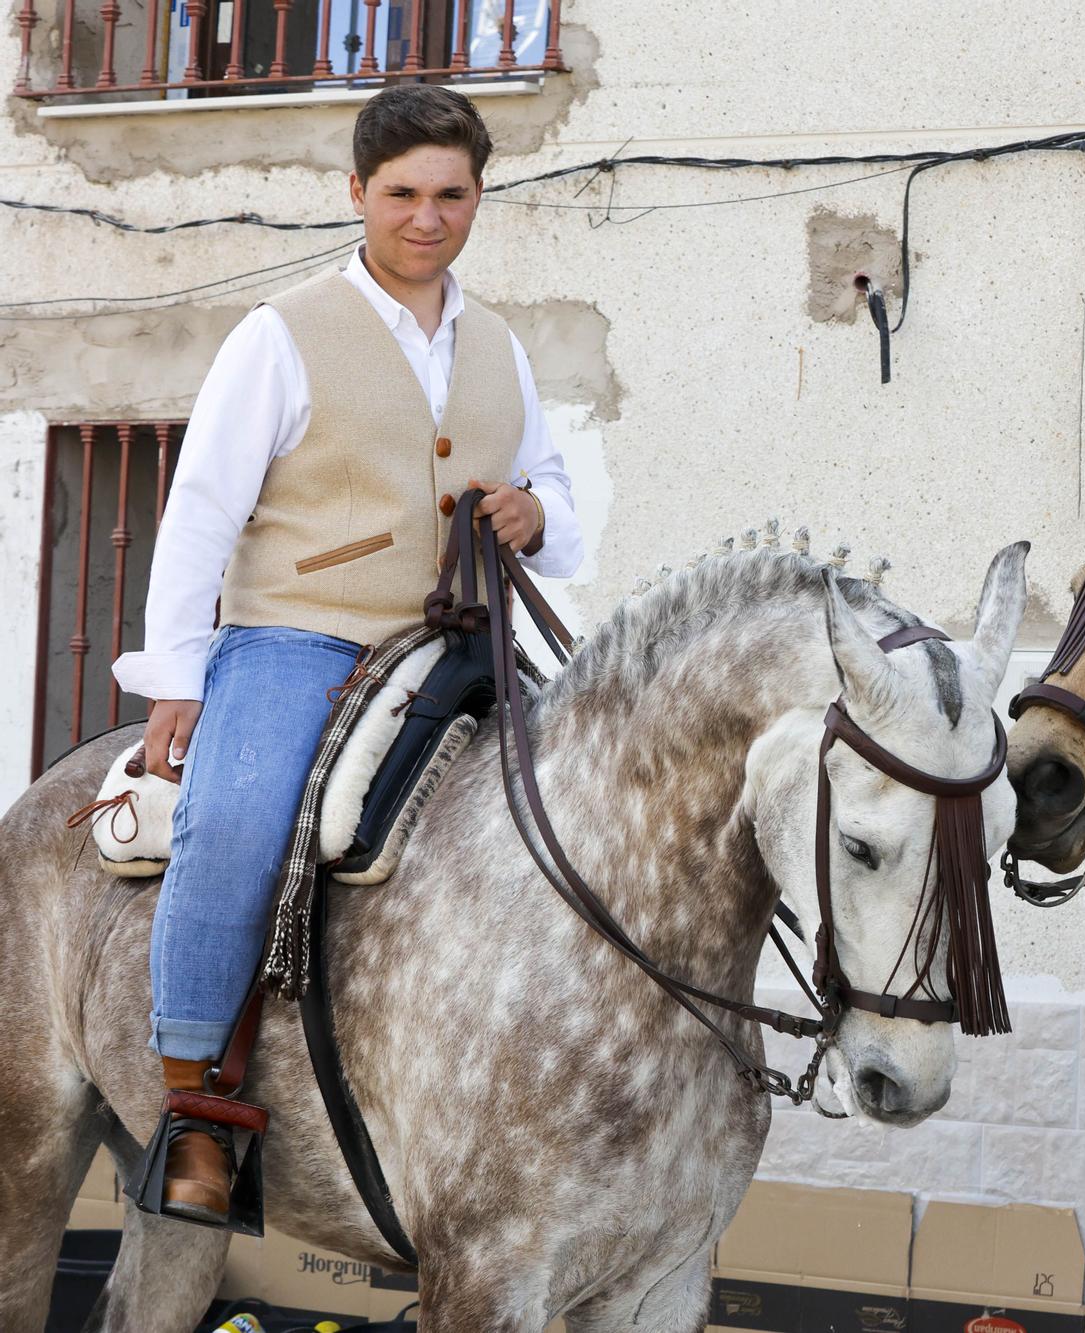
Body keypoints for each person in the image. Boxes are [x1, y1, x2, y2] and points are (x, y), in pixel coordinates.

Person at [111, 84, 583, 1225]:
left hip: (456, 639)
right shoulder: (281, 334)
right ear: (358, 195)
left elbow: (556, 486)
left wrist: (533, 510)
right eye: (404, 194)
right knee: (233, 823)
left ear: (479, 195)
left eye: (452, 195)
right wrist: (179, 672)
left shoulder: (501, 345)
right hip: (295, 637)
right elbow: (202, 511)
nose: (429, 218)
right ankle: (197, 1111)